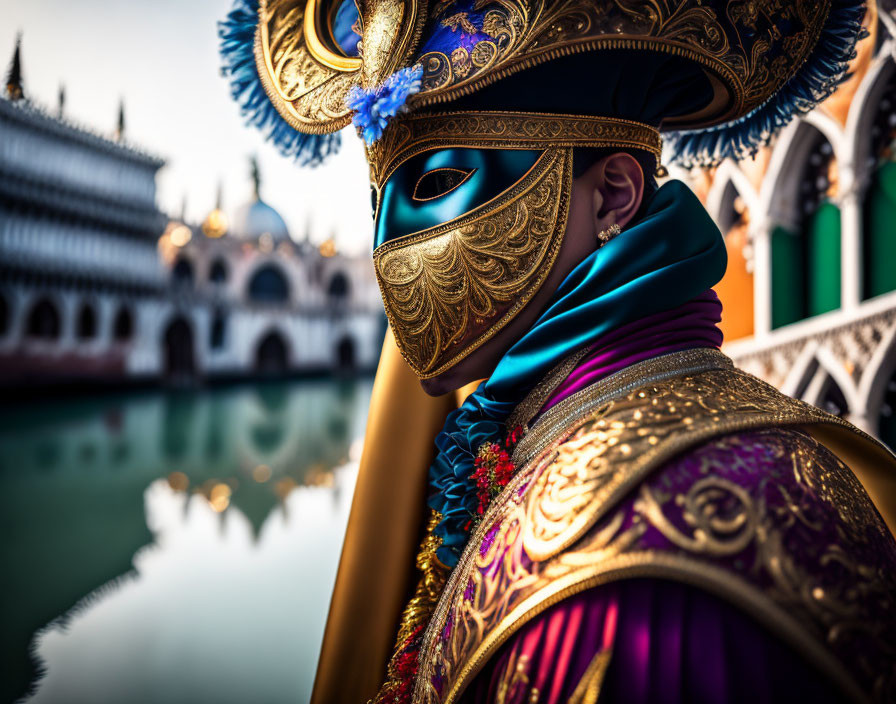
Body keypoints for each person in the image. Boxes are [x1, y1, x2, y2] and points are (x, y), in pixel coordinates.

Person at [220, 2, 896, 702]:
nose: (387, 247)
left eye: (436, 184)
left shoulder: (620, 577)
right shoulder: (542, 435)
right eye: (377, 208)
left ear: (612, 195)